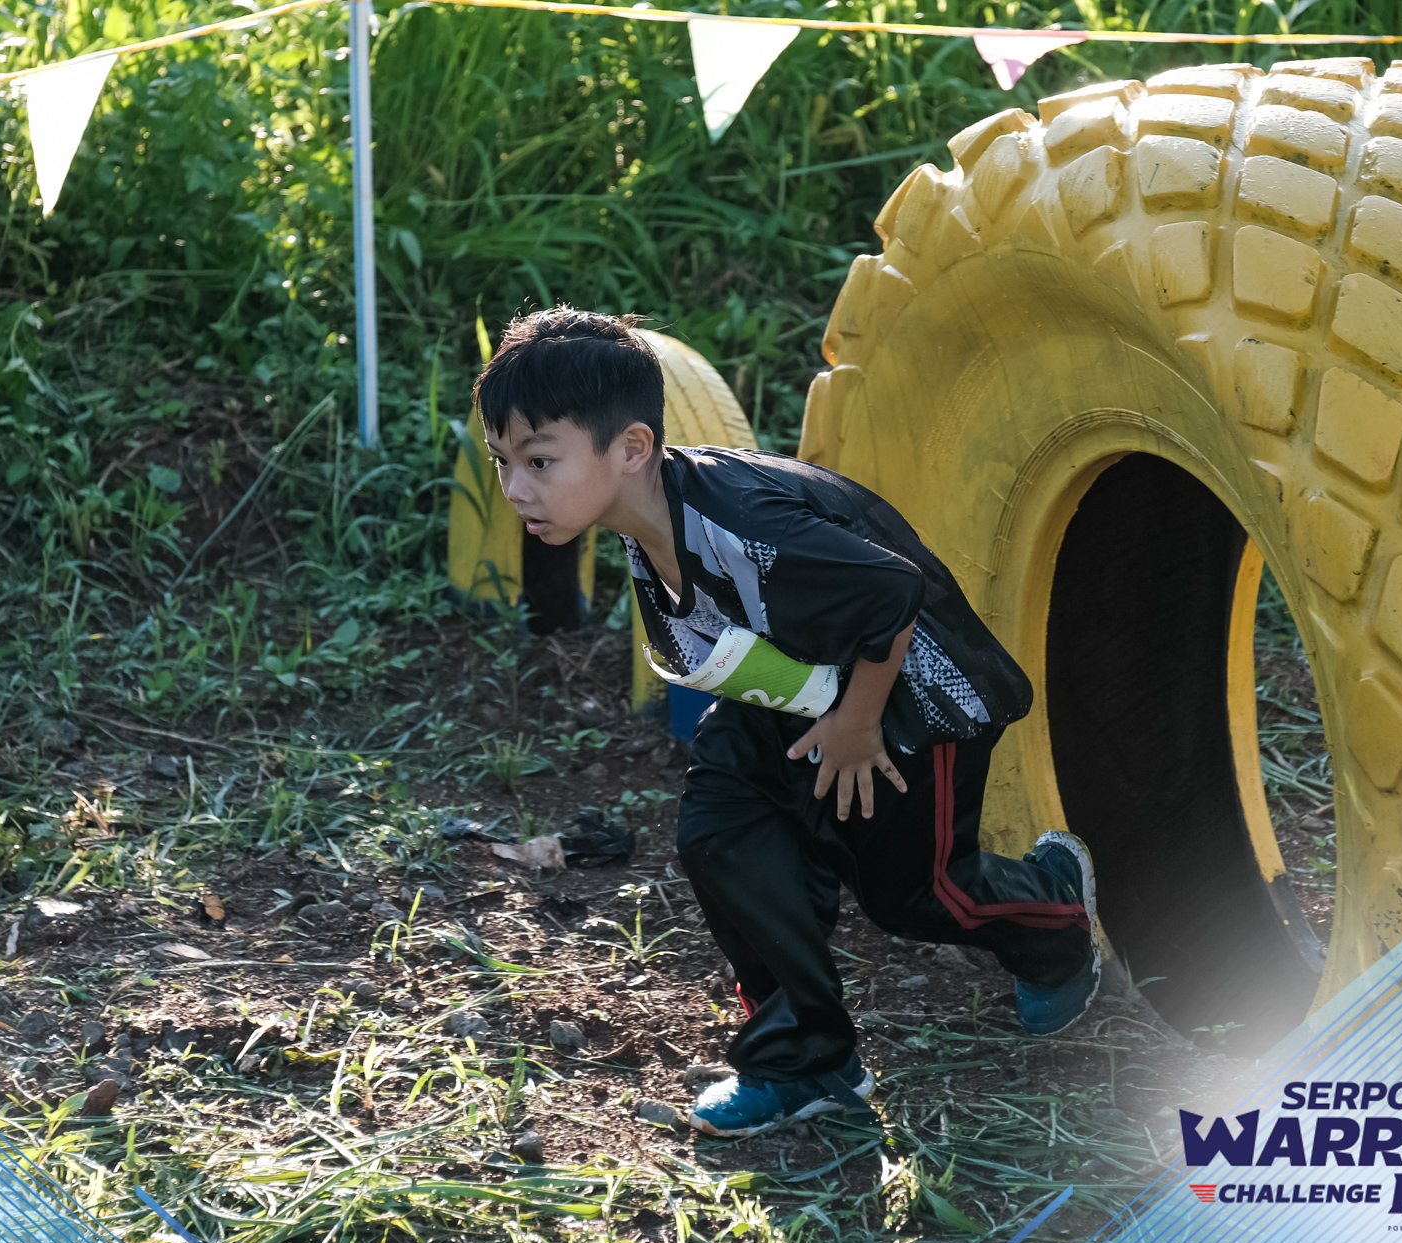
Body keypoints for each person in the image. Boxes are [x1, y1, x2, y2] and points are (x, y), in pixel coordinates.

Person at [472, 307, 1101, 1138]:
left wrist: (857, 725)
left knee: (914, 897)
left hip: (912, 697)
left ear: (630, 448)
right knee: (720, 837)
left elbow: (893, 594)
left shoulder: (745, 522)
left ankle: (1055, 912)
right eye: (503, 462)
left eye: (539, 461)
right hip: (789, 689)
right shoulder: (639, 516)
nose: (516, 488)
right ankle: (805, 1061)